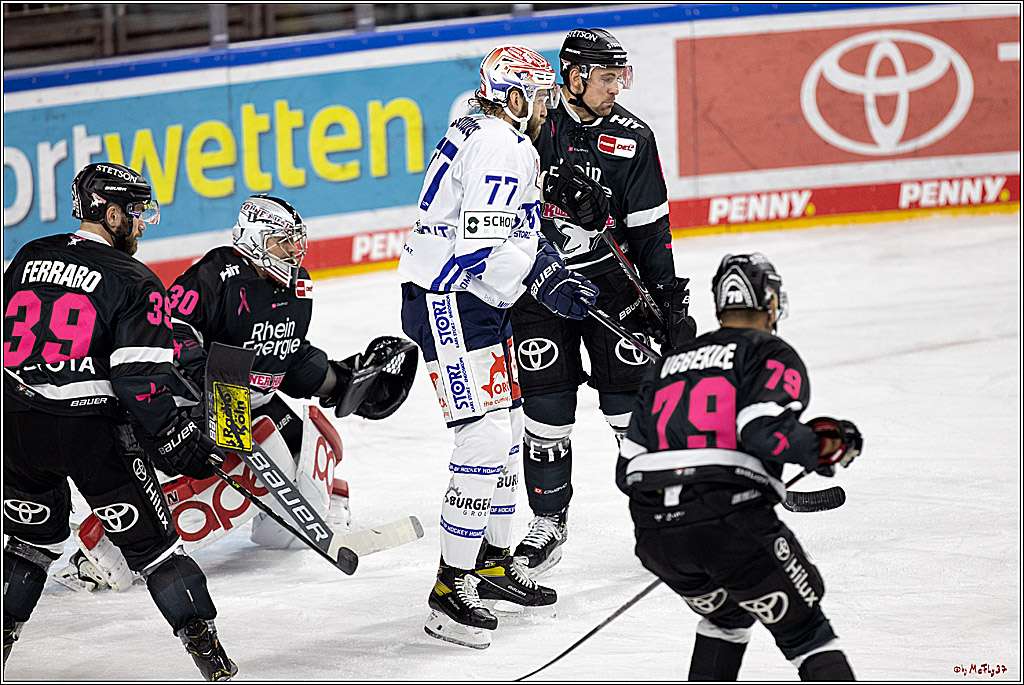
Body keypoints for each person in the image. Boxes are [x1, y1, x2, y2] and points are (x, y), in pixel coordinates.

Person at [54, 194, 418, 592]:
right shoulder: (216, 273)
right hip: (194, 403)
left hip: (251, 397)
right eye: (283, 242)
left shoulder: (297, 288)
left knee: (310, 461)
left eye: (297, 242)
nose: (294, 252)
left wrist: (340, 381)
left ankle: (298, 511)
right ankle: (107, 549)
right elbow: (169, 325)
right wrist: (202, 372)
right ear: (254, 239)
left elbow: (287, 354)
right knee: (228, 475)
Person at [398, 45, 601, 649]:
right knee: (484, 438)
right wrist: (544, 274)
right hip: (451, 297)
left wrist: (546, 254)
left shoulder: (490, 132)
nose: (544, 106)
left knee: (508, 431)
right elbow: (481, 242)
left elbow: (505, 228)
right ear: (512, 96)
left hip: (475, 298)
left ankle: (491, 562)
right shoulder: (503, 142)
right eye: (537, 95)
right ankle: (449, 587)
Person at [3, 163, 236, 680]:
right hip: (90, 434)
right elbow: (137, 378)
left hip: (15, 426)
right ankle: (210, 657)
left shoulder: (26, 256)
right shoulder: (134, 279)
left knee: (30, 546)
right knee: (156, 550)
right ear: (109, 213)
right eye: (135, 211)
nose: (143, 222)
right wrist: (175, 439)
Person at [616, 253, 862, 681]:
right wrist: (825, 447)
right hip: (729, 524)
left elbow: (626, 471)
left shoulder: (668, 364)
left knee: (727, 618)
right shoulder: (770, 350)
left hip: (655, 534)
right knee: (807, 633)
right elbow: (763, 431)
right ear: (770, 300)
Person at [509, 28, 697, 575]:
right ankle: (547, 521)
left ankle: (661, 518)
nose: (618, 87)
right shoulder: (532, 127)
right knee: (545, 411)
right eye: (608, 77)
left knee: (627, 412)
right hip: (540, 291)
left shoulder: (635, 137)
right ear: (573, 77)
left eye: (621, 76)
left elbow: (650, 226)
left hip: (615, 292)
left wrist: (665, 300)